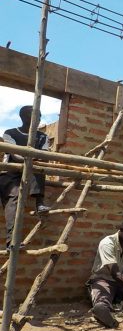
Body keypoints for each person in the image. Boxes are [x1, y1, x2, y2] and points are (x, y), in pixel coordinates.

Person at [0, 105, 51, 249]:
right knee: (14, 198)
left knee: (37, 167)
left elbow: (45, 156)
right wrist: (31, 158)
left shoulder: (43, 136)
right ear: (23, 117)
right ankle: (12, 241)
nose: (38, 118)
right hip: (11, 174)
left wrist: (33, 160)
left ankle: (39, 202)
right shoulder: (9, 133)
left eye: (40, 116)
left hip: (32, 171)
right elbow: (14, 155)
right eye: (34, 115)